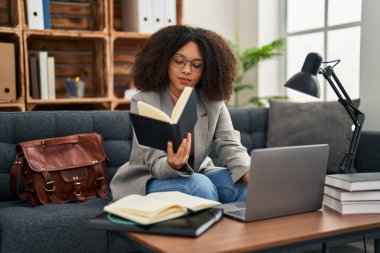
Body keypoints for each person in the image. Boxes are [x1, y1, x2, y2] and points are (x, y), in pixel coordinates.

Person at [110, 25, 251, 203]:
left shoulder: (213, 101)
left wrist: (248, 172)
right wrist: (172, 163)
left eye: (196, 65)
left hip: (198, 172)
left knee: (243, 185)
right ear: (165, 61)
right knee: (199, 186)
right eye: (179, 61)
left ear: (206, 69)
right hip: (149, 177)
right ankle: (211, 231)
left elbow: (230, 145)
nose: (186, 70)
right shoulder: (144, 100)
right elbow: (154, 163)